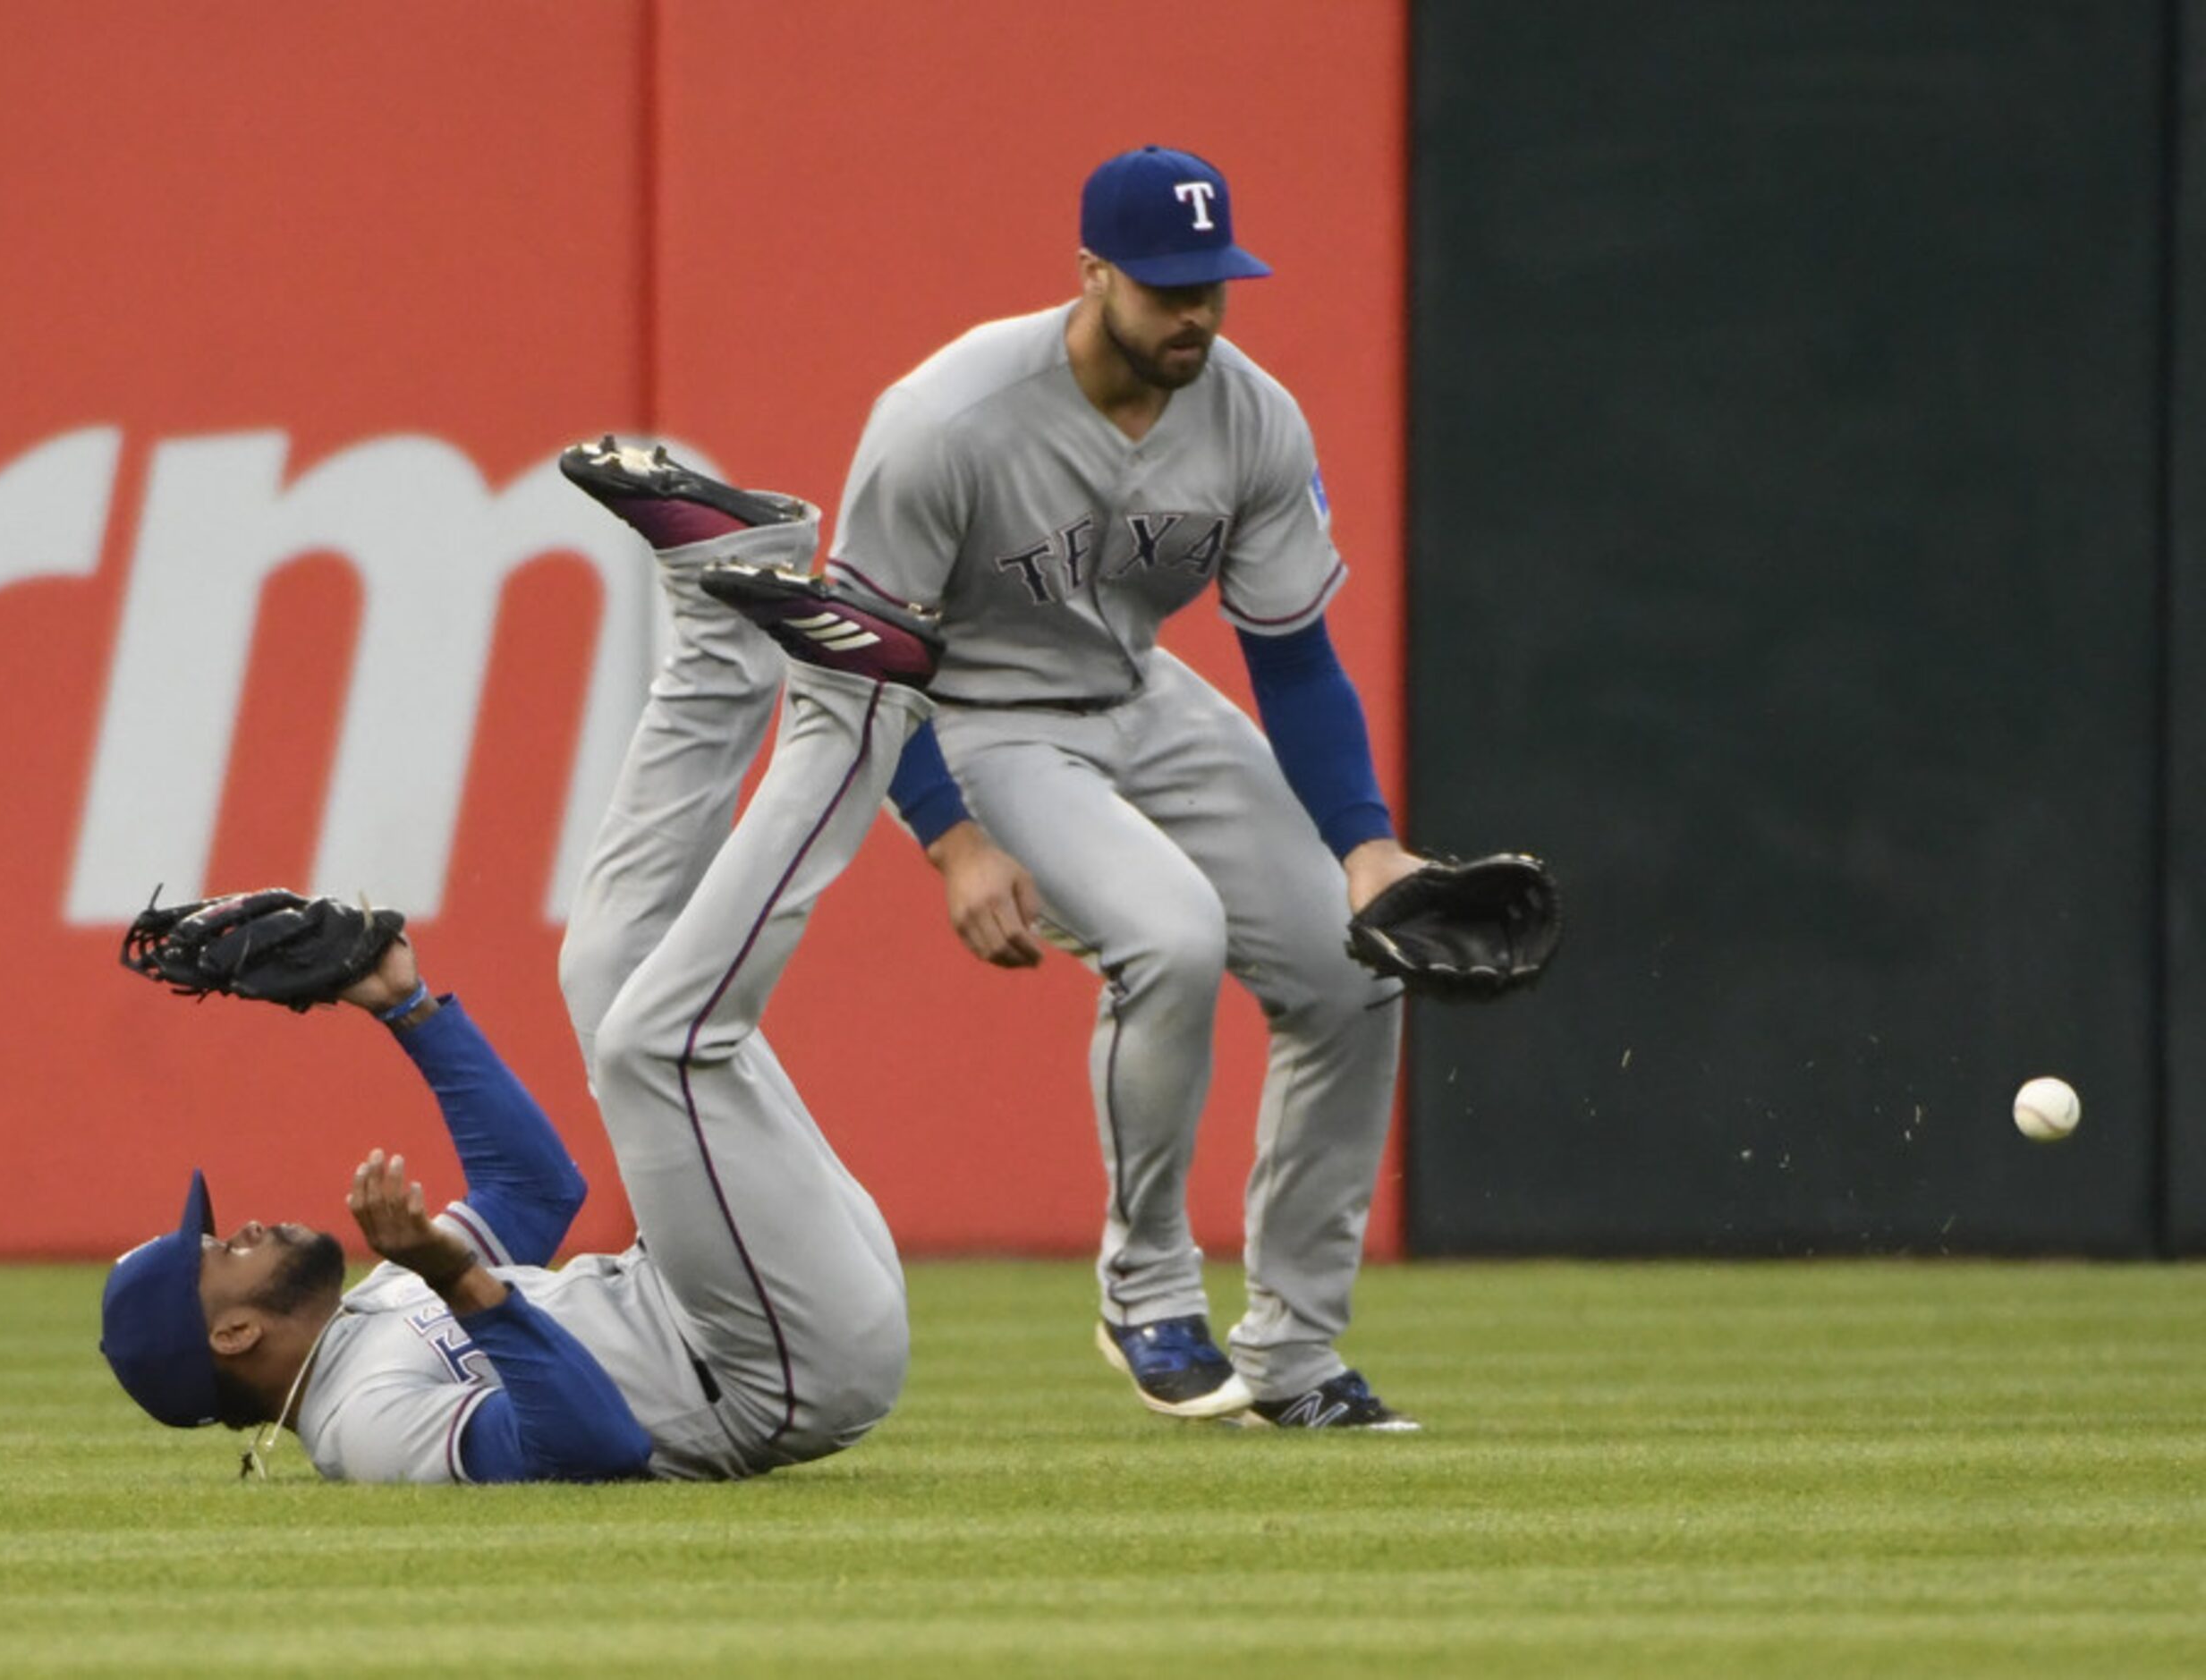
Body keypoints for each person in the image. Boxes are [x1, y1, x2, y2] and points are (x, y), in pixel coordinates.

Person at [98, 441, 946, 1481]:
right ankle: (859, 713)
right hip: (777, 1370)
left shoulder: (377, 1307)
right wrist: (450, 1272)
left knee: (603, 967)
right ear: (232, 1338)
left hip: (738, 1292)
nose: (245, 1232)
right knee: (650, 1045)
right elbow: (592, 1446)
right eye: (221, 1257)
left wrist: (405, 1008)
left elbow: (537, 1187)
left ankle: (721, 612)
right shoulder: (362, 1426)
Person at [827, 145, 1423, 1430]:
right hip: (980, 717)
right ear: (1089, 273)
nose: (1192, 314)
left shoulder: (1250, 415)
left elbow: (1295, 660)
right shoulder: (947, 416)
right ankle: (1145, 1283)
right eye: (1162, 287)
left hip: (1145, 698)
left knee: (1353, 960)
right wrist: (949, 840)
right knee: (1170, 935)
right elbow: (856, 654)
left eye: (1211, 282)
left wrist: (1364, 846)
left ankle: (1295, 1357)